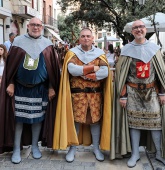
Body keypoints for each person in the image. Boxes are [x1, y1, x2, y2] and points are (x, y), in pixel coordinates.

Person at [110, 20, 165, 168]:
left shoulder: (154, 49)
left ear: (145, 29)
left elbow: (160, 73)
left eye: (141, 27)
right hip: (132, 91)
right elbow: (121, 75)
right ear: (132, 31)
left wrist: (162, 92)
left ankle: (159, 154)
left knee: (156, 124)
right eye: (135, 27)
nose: (138, 29)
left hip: (152, 91)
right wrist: (123, 95)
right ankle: (135, 153)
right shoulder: (126, 50)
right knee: (133, 123)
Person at [0, 17, 60, 164]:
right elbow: (10, 67)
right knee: (18, 119)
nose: (36, 27)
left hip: (40, 89)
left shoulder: (48, 44)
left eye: (39, 25)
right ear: (28, 26)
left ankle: (35, 146)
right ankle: (16, 148)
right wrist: (11, 83)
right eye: (33, 25)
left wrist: (52, 87)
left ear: (41, 27)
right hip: (19, 88)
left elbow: (53, 68)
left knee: (37, 119)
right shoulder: (18, 42)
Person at [53, 28, 112, 162]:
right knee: (76, 122)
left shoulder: (99, 54)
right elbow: (72, 70)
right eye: (83, 36)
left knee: (95, 121)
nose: (86, 38)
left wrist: (85, 74)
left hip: (95, 96)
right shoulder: (72, 53)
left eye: (88, 36)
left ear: (92, 38)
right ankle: (73, 149)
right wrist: (92, 69)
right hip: (77, 96)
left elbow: (105, 72)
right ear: (79, 39)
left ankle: (96, 148)